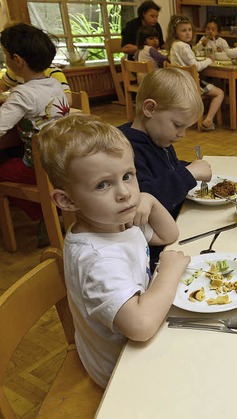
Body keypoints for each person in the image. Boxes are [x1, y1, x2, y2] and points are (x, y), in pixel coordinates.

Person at [38, 114, 190, 387]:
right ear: (67, 200)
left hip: (137, 344)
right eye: (102, 184)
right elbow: (141, 326)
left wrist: (151, 200)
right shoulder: (97, 259)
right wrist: (170, 269)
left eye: (128, 176)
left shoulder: (112, 221)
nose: (125, 193)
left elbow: (169, 235)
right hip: (120, 372)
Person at [118, 67, 211, 264]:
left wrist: (188, 166)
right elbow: (144, 198)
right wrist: (189, 173)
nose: (182, 134)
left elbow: (166, 169)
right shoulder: (124, 149)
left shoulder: (158, 138)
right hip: (152, 251)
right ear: (150, 109)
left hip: (174, 226)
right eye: (178, 125)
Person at [0, 23, 69, 242]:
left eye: (5, 55)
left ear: (17, 60)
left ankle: (44, 214)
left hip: (39, 167)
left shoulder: (22, 94)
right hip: (64, 160)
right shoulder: (55, 85)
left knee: (3, 170)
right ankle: (55, 212)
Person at [166, 14, 224, 131]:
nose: (188, 33)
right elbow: (195, 67)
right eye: (183, 30)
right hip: (191, 83)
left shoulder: (174, 45)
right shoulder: (184, 47)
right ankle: (208, 120)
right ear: (175, 32)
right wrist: (209, 60)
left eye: (189, 30)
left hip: (179, 82)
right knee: (219, 93)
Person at [1, 65, 72, 103]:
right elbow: (2, 87)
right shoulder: (14, 71)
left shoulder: (53, 72)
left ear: (18, 59)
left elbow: (68, 101)